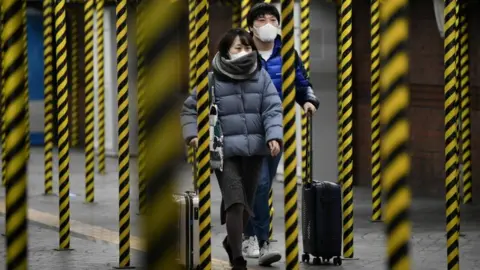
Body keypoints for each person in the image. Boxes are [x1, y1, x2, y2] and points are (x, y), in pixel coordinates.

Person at [180, 28, 284, 270]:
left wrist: (274, 137)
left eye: (247, 48)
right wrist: (193, 135)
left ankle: (230, 242)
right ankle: (238, 258)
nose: (244, 52)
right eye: (238, 48)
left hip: (255, 152)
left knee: (247, 202)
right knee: (236, 202)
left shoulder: (261, 77)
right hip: (223, 151)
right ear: (226, 51)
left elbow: (272, 109)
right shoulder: (212, 79)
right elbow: (189, 109)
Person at [242, 3, 320, 266]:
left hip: (276, 129)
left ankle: (250, 234)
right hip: (246, 128)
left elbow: (301, 81)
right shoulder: (241, 51)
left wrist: (308, 100)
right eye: (261, 19)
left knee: (260, 186)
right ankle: (261, 242)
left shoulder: (287, 52)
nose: (267, 23)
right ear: (251, 25)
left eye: (272, 19)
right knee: (260, 184)